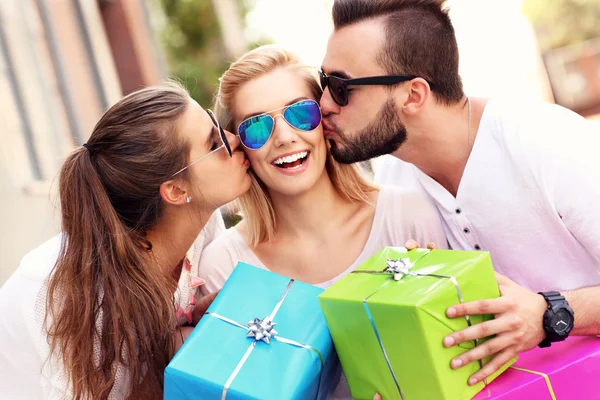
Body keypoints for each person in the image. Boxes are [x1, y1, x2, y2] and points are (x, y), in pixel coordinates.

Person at [319, 0, 600, 388]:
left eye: (340, 87)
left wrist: (552, 313)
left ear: (414, 95)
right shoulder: (395, 177)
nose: (323, 105)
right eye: (323, 83)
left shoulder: (545, 141)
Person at [195, 44, 446, 399]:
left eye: (300, 113)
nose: (284, 137)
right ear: (240, 149)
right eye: (256, 127)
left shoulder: (408, 215)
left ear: (325, 120)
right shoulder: (225, 265)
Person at [0, 83, 251, 399]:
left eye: (217, 125)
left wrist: (182, 334)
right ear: (175, 190)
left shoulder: (203, 224)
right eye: (214, 143)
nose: (234, 139)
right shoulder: (71, 301)